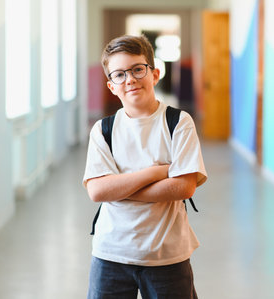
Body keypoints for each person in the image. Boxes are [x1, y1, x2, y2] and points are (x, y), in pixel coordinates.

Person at [82, 34, 207, 299]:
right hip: (111, 254)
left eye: (138, 69)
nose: (130, 79)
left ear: (155, 73)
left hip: (167, 256)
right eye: (119, 74)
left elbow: (184, 187)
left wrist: (118, 188)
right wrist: (157, 172)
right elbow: (97, 192)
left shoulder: (178, 123)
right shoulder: (103, 130)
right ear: (111, 86)